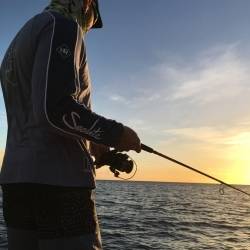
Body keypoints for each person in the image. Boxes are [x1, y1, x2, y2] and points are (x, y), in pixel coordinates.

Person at [0, 0, 141, 249]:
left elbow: (35, 113)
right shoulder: (63, 25)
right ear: (86, 5)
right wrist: (116, 133)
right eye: (91, 21)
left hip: (16, 186)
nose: (87, 28)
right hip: (60, 186)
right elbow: (54, 108)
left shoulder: (16, 43)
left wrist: (92, 141)